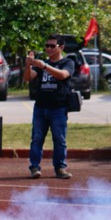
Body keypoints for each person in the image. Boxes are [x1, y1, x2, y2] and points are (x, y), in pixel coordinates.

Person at [24, 35, 74, 180]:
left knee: (59, 139)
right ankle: (34, 167)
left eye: (52, 46)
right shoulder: (42, 63)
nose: (48, 49)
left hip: (58, 108)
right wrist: (28, 65)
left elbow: (63, 75)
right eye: (47, 46)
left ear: (61, 47)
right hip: (40, 107)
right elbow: (28, 78)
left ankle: (60, 168)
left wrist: (45, 66)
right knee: (37, 138)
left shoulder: (68, 62)